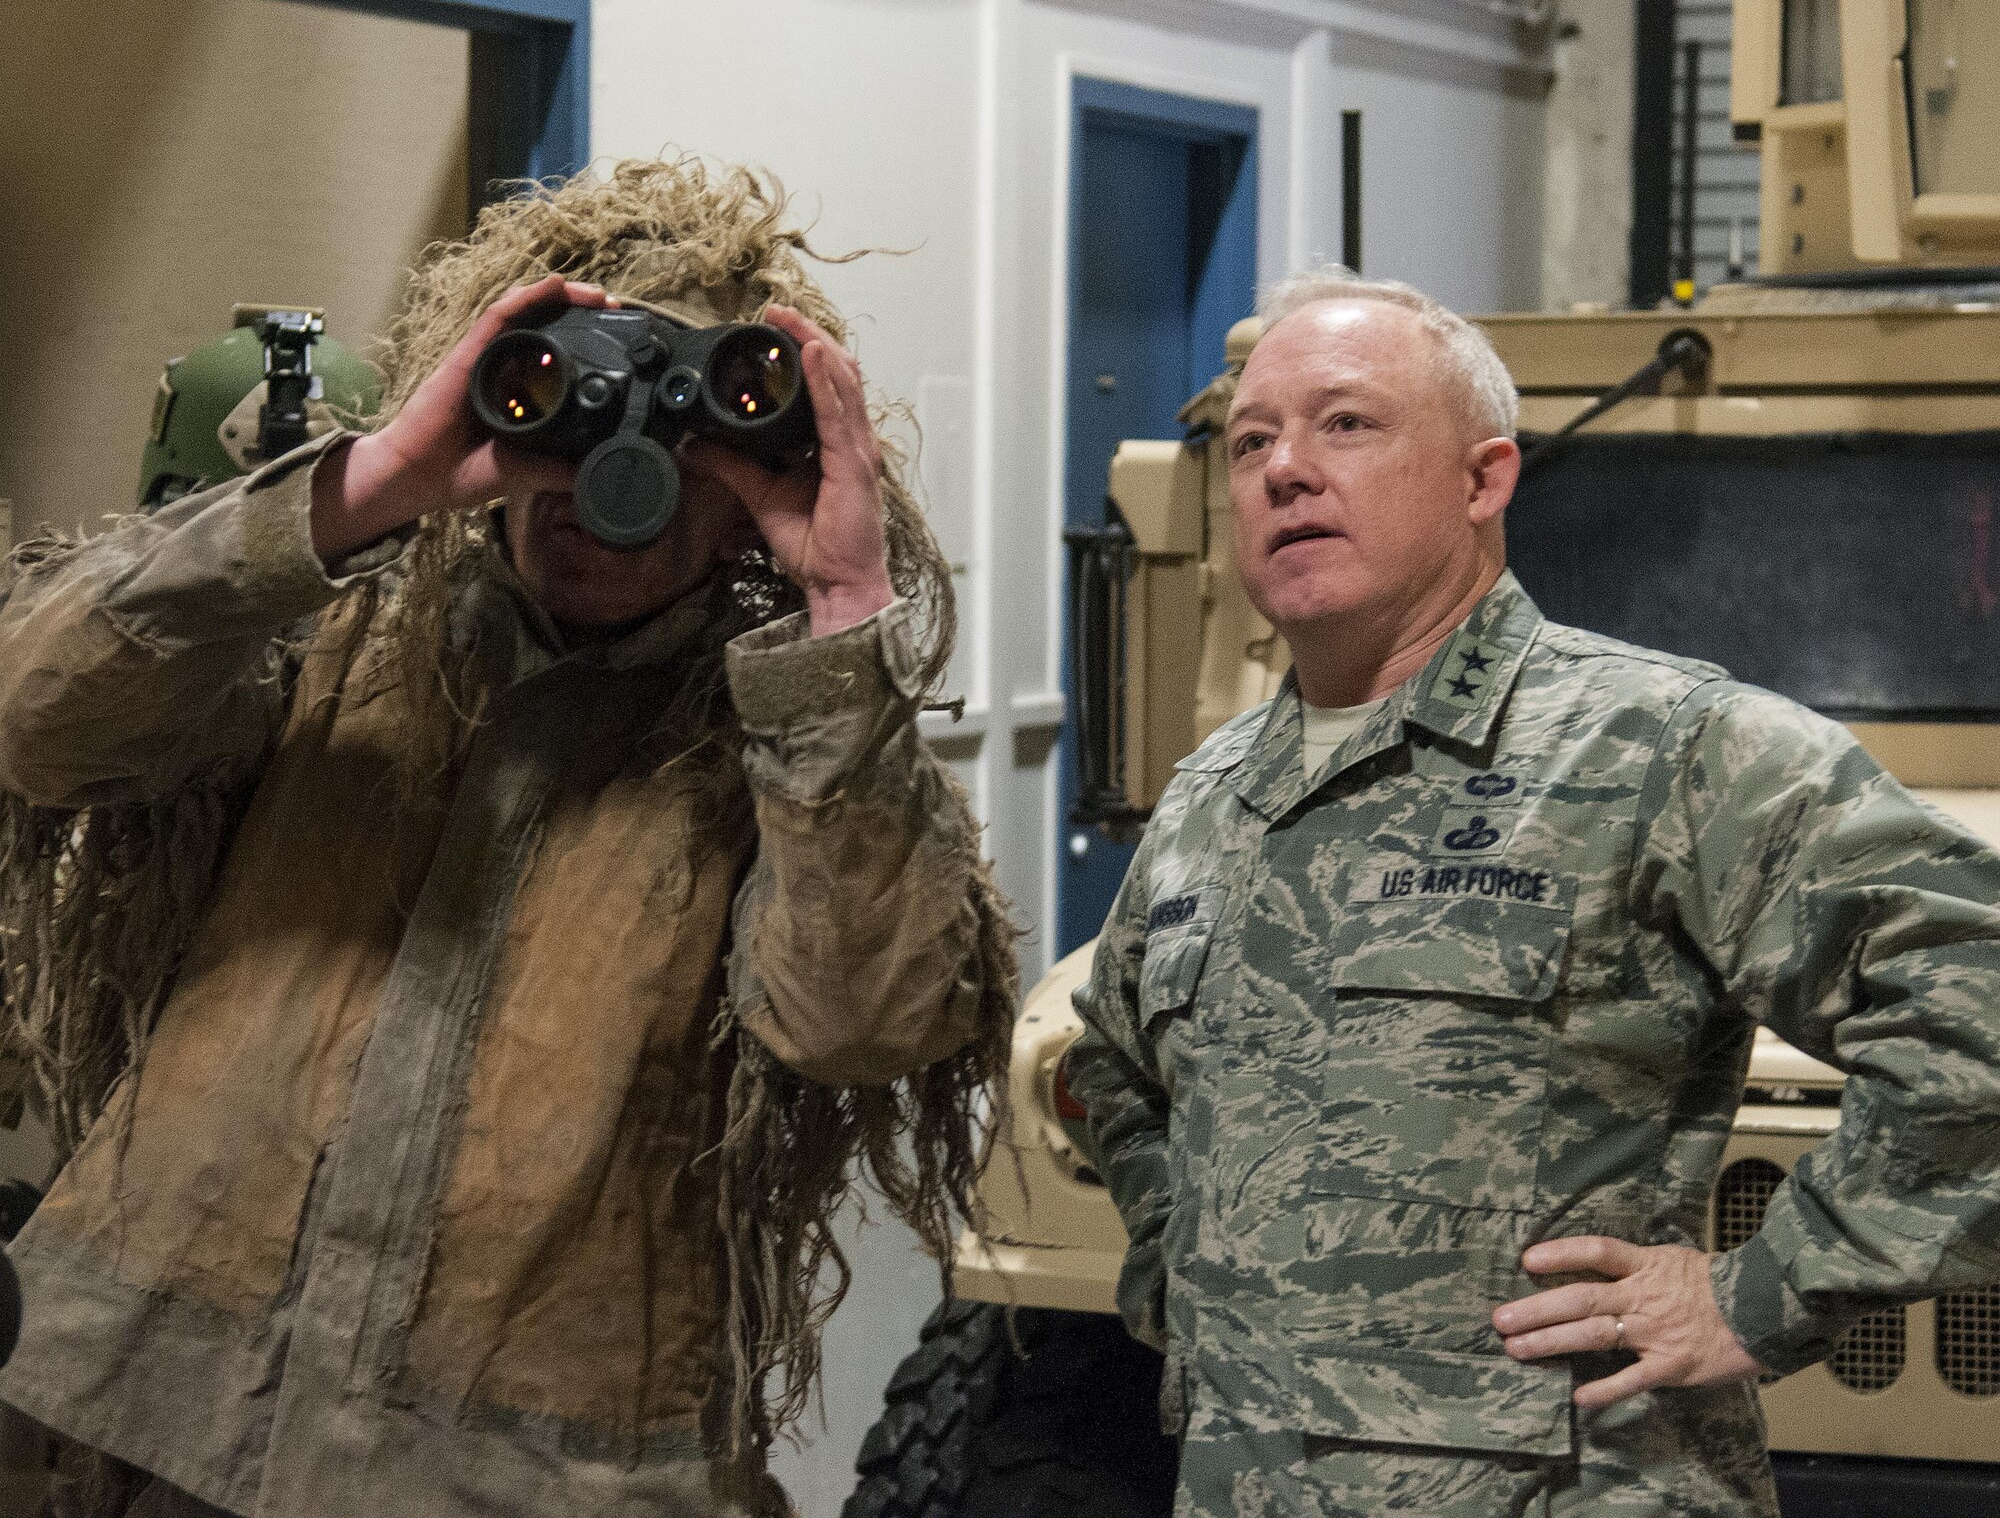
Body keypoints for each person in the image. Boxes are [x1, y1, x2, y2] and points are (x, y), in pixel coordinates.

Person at [0, 158, 1016, 1518]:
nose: (590, 481)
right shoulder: (337, 643)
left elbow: (863, 1024)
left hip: (525, 1483)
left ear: (748, 490)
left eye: (675, 440)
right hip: (169, 1431)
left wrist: (841, 619)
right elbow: (39, 726)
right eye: (559, 407)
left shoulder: (788, 752)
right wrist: (367, 485)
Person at [1066, 268, 2000, 1517]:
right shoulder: (1213, 792)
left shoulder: (1664, 747)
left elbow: (1975, 1001)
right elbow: (1113, 1062)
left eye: (1345, 422)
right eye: (1250, 440)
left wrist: (1760, 1291)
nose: (1284, 468)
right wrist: (1185, 1265)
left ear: (1483, 479)